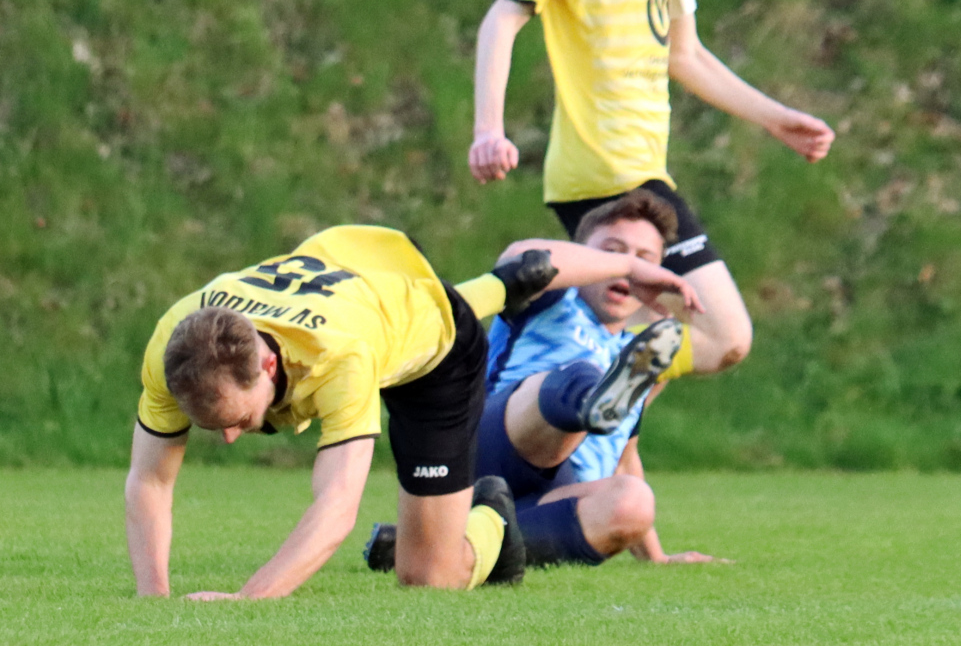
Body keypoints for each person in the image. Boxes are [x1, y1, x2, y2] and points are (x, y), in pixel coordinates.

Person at [469, 0, 835, 382]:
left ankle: (574, 406)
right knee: (723, 334)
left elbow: (684, 54)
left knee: (651, 334)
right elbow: (504, 16)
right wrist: (488, 129)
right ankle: (541, 381)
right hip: (605, 170)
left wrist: (776, 120)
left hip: (643, 166)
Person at [126, 221, 700, 599]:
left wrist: (248, 601)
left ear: (269, 364)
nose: (230, 438)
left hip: (435, 357)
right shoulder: (176, 341)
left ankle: (493, 518)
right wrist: (156, 601)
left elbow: (336, 506)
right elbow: (150, 479)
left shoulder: (339, 357)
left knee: (430, 578)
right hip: (360, 272)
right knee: (499, 285)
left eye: (237, 421)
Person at [366, 191, 725, 572]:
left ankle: (442, 547)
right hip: (492, 449)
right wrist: (627, 265)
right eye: (613, 251)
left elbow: (624, 459)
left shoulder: (637, 358)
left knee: (634, 501)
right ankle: (587, 399)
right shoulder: (551, 301)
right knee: (581, 374)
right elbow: (521, 257)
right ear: (585, 256)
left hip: (553, 496)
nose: (628, 270)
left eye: (644, 259)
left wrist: (658, 558)